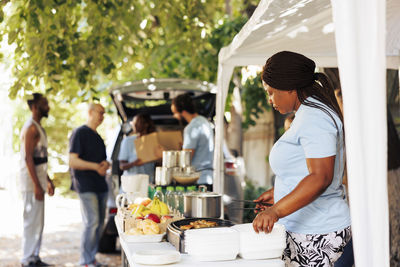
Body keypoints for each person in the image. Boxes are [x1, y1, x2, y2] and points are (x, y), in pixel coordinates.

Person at [252, 51, 351, 267]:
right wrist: (280, 194)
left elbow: (320, 177)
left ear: (289, 87)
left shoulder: (315, 116)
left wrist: (276, 210)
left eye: (271, 92)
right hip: (306, 232)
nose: (270, 100)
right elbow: (305, 170)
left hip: (319, 235)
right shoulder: (309, 112)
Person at [69, 103, 110, 267]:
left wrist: (105, 165)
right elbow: (72, 161)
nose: (102, 116)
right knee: (91, 222)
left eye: (104, 113)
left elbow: (101, 161)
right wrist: (95, 167)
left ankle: (92, 259)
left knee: (100, 224)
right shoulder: (80, 133)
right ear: (90, 112)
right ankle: (85, 262)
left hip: (101, 185)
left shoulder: (98, 136)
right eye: (100, 112)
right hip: (86, 185)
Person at [19, 93, 55, 267]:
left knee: (38, 222)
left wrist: (47, 180)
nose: (47, 106)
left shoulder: (39, 127)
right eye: (44, 103)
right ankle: (27, 259)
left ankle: (34, 257)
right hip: (31, 183)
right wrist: (36, 186)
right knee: (31, 221)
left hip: (39, 180)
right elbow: (28, 159)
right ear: (34, 107)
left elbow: (40, 159)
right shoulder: (30, 128)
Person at [171, 93, 214, 185]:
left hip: (198, 179)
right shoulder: (205, 122)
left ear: (183, 112)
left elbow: (187, 158)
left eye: (175, 113)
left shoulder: (191, 128)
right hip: (208, 177)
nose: (174, 116)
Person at [118, 113, 157, 183]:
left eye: (136, 122)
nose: (133, 124)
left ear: (146, 124)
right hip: (131, 184)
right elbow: (121, 166)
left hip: (148, 184)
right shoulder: (128, 141)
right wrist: (134, 163)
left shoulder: (154, 141)